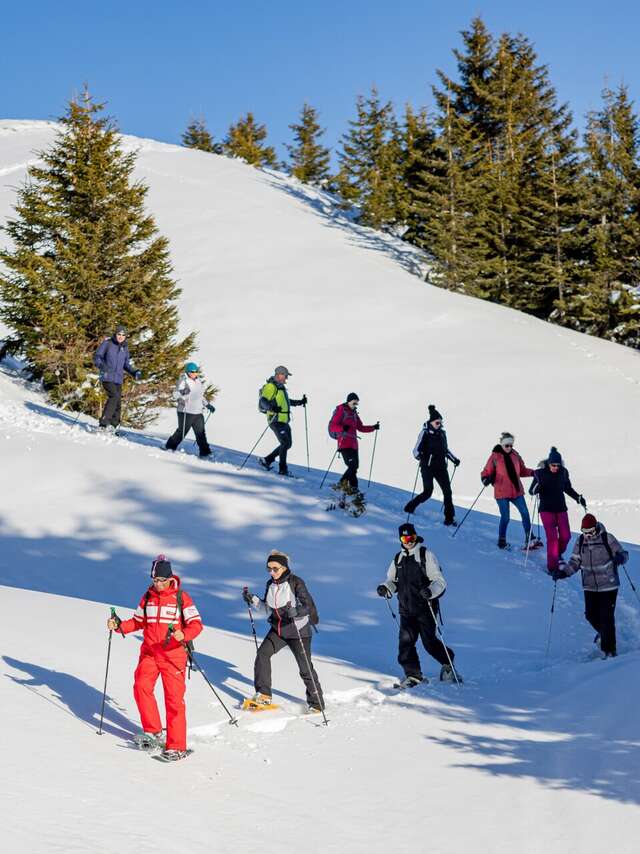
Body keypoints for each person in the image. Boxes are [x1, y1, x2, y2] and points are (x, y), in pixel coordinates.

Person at [107, 555, 203, 761]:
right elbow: (137, 622)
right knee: (141, 687)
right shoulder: (148, 597)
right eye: (154, 580)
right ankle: (153, 731)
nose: (157, 584)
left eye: (160, 580)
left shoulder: (181, 598)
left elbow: (196, 624)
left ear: (169, 578)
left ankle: (177, 746)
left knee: (174, 700)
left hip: (173, 655)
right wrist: (119, 626)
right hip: (150, 653)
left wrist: (183, 635)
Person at [377, 523, 459, 686]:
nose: (408, 541)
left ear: (416, 537)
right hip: (406, 609)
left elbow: (440, 581)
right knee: (405, 643)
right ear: (400, 539)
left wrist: (430, 591)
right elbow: (392, 581)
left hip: (425, 607)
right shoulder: (398, 559)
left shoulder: (425, 555)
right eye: (404, 538)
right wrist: (385, 588)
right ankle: (413, 675)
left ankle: (448, 661)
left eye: (411, 537)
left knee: (429, 643)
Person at [242, 550, 324, 713]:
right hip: (278, 629)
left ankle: (316, 703)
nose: (272, 572)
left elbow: (308, 606)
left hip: (298, 631)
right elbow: (267, 609)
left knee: (305, 667)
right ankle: (264, 696)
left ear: (284, 567)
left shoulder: (296, 582)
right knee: (262, 654)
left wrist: (297, 611)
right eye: (269, 569)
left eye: (275, 568)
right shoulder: (270, 585)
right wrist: (254, 600)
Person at [552, 514, 628, 658]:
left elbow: (624, 554)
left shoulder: (607, 538)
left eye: (591, 532)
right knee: (590, 615)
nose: (588, 535)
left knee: (606, 617)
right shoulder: (580, 541)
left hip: (608, 584)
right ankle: (604, 634)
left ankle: (609, 651)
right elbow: (575, 562)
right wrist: (563, 573)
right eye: (585, 532)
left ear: (596, 528)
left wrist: (620, 557)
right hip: (590, 586)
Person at [530, 446, 587, 572]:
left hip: (561, 509)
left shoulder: (563, 472)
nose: (555, 467)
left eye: (558, 465)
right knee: (553, 539)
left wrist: (578, 498)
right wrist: (538, 486)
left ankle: (557, 554)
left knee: (566, 536)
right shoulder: (540, 473)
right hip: (546, 510)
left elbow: (567, 488)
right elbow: (531, 491)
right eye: (553, 465)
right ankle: (552, 567)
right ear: (549, 464)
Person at [481, 431, 538, 550]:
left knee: (525, 513)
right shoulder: (495, 457)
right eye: (507, 445)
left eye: (511, 445)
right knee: (506, 517)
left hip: (516, 491)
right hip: (502, 493)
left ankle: (530, 538)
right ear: (502, 445)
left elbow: (522, 471)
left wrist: (533, 472)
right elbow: (486, 471)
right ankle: (502, 540)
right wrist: (485, 479)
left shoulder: (515, 455)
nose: (509, 448)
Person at [404, 404, 459, 525]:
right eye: (437, 423)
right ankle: (409, 507)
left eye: (440, 423)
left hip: (441, 467)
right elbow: (415, 451)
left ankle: (449, 518)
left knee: (447, 492)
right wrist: (423, 457)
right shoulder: (425, 433)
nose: (439, 425)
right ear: (431, 422)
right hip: (427, 467)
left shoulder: (442, 434)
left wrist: (454, 459)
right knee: (428, 492)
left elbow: (445, 450)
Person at [258, 366, 307, 477]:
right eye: (285, 376)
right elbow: (263, 400)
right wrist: (272, 408)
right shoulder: (271, 386)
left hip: (284, 421)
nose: (286, 378)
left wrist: (300, 402)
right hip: (275, 419)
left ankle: (267, 460)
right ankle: (283, 469)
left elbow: (286, 402)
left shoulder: (280, 388)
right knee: (285, 443)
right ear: (279, 375)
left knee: (288, 444)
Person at [328, 392, 379, 495]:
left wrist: (373, 427)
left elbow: (361, 428)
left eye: (357, 403)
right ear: (349, 401)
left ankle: (353, 489)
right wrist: (342, 428)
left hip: (354, 445)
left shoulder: (354, 414)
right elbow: (332, 426)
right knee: (352, 466)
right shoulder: (341, 410)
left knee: (355, 467)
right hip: (344, 444)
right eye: (354, 403)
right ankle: (342, 484)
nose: (355, 405)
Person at [93, 324, 141, 429]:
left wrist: (134, 372)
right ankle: (103, 423)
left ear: (126, 336)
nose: (121, 336)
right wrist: (102, 366)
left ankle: (113, 426)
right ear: (115, 334)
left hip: (118, 379)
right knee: (114, 396)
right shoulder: (107, 343)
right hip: (106, 376)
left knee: (118, 402)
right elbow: (97, 357)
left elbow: (126, 364)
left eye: (123, 335)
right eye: (119, 334)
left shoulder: (125, 348)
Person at [165, 362, 215, 458]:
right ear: (188, 372)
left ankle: (205, 452)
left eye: (196, 371)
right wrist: (183, 392)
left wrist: (208, 405)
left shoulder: (198, 381)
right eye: (192, 371)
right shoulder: (183, 380)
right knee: (182, 432)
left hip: (198, 412)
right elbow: (175, 394)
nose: (194, 373)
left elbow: (200, 396)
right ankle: (170, 446)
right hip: (185, 411)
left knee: (201, 433)